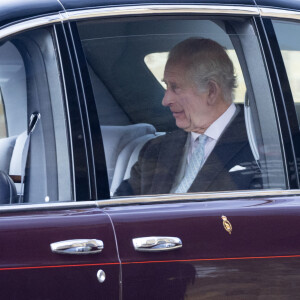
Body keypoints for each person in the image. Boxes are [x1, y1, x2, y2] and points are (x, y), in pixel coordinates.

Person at [115, 38, 262, 196]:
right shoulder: (155, 150)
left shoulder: (261, 148)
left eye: (175, 87)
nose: (165, 101)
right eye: (167, 86)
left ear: (211, 91)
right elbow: (119, 212)